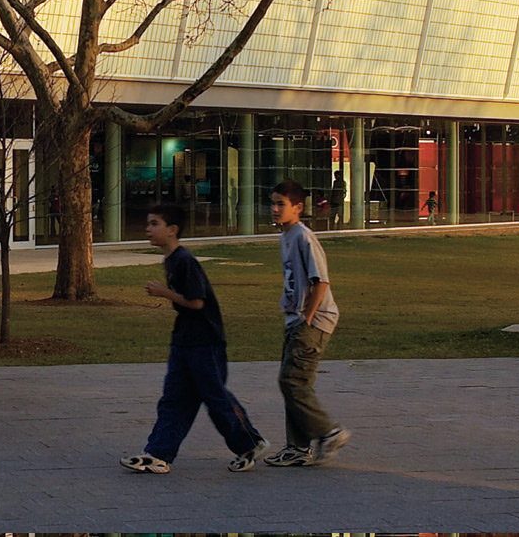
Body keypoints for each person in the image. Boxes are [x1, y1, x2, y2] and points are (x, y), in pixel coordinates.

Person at [120, 201, 264, 476]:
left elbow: (197, 302)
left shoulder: (185, 261)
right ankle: (158, 454)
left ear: (172, 230)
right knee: (174, 399)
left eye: (155, 224)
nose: (148, 229)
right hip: (184, 340)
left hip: (204, 341)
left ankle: (249, 444)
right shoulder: (171, 260)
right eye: (148, 223)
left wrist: (165, 293)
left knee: (215, 397)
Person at [265, 180, 350, 467]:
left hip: (311, 321)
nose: (275, 209)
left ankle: (328, 432)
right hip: (295, 319)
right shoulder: (285, 237)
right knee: (294, 383)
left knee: (292, 380)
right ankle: (298, 448)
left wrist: (308, 319)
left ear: (298, 208)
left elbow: (321, 281)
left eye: (281, 204)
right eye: (273, 203)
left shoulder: (303, 236)